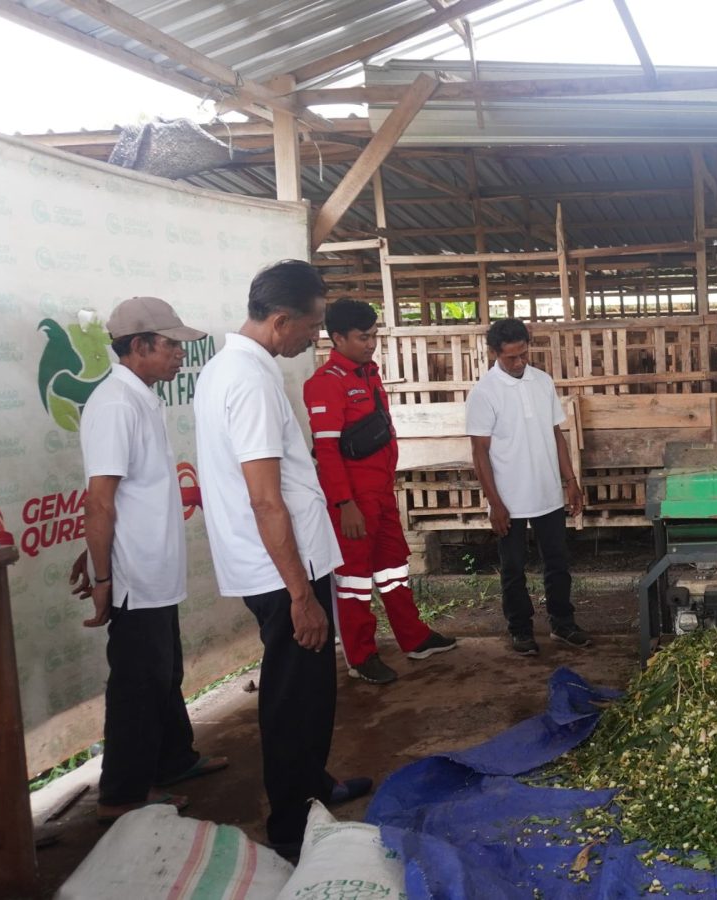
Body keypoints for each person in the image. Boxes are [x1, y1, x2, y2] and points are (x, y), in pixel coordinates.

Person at [194, 261, 371, 856]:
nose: (314, 338)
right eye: (313, 326)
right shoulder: (246, 380)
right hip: (281, 570)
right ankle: (293, 825)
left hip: (287, 561)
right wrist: (299, 593)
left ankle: (312, 785)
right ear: (280, 320)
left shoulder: (235, 369)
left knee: (311, 689)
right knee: (294, 697)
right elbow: (266, 498)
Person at [74, 297, 226, 824]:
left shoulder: (138, 397)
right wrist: (102, 576)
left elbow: (116, 496)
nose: (181, 355)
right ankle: (122, 793)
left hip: (152, 568)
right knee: (139, 681)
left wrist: (93, 551)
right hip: (134, 574)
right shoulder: (116, 404)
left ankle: (173, 760)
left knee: (164, 671)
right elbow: (99, 497)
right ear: (139, 346)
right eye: (172, 345)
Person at [304, 299, 456, 685]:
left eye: (373, 336)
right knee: (354, 580)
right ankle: (361, 656)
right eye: (362, 337)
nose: (371, 343)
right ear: (337, 338)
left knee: (393, 568)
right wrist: (345, 503)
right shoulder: (326, 383)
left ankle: (415, 638)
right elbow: (326, 450)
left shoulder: (368, 373)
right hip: (353, 501)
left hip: (382, 493)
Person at [466, 318, 590, 656]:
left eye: (524, 354)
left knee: (558, 562)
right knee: (513, 568)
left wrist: (571, 481)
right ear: (494, 353)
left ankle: (563, 623)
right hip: (510, 498)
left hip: (547, 492)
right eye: (511, 358)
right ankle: (520, 629)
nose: (520, 363)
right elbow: (480, 452)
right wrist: (496, 503)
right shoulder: (484, 393)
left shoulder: (542, 382)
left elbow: (556, 434)